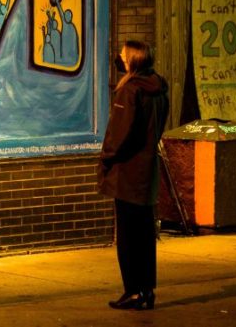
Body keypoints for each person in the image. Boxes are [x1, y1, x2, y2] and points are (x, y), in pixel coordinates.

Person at [98, 40, 169, 311]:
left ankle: (132, 291)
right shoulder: (159, 87)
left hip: (127, 173)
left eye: (124, 55)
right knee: (144, 235)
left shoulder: (129, 91)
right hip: (147, 169)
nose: (119, 58)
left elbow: (119, 134)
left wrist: (106, 158)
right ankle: (146, 290)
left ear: (134, 60)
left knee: (128, 236)